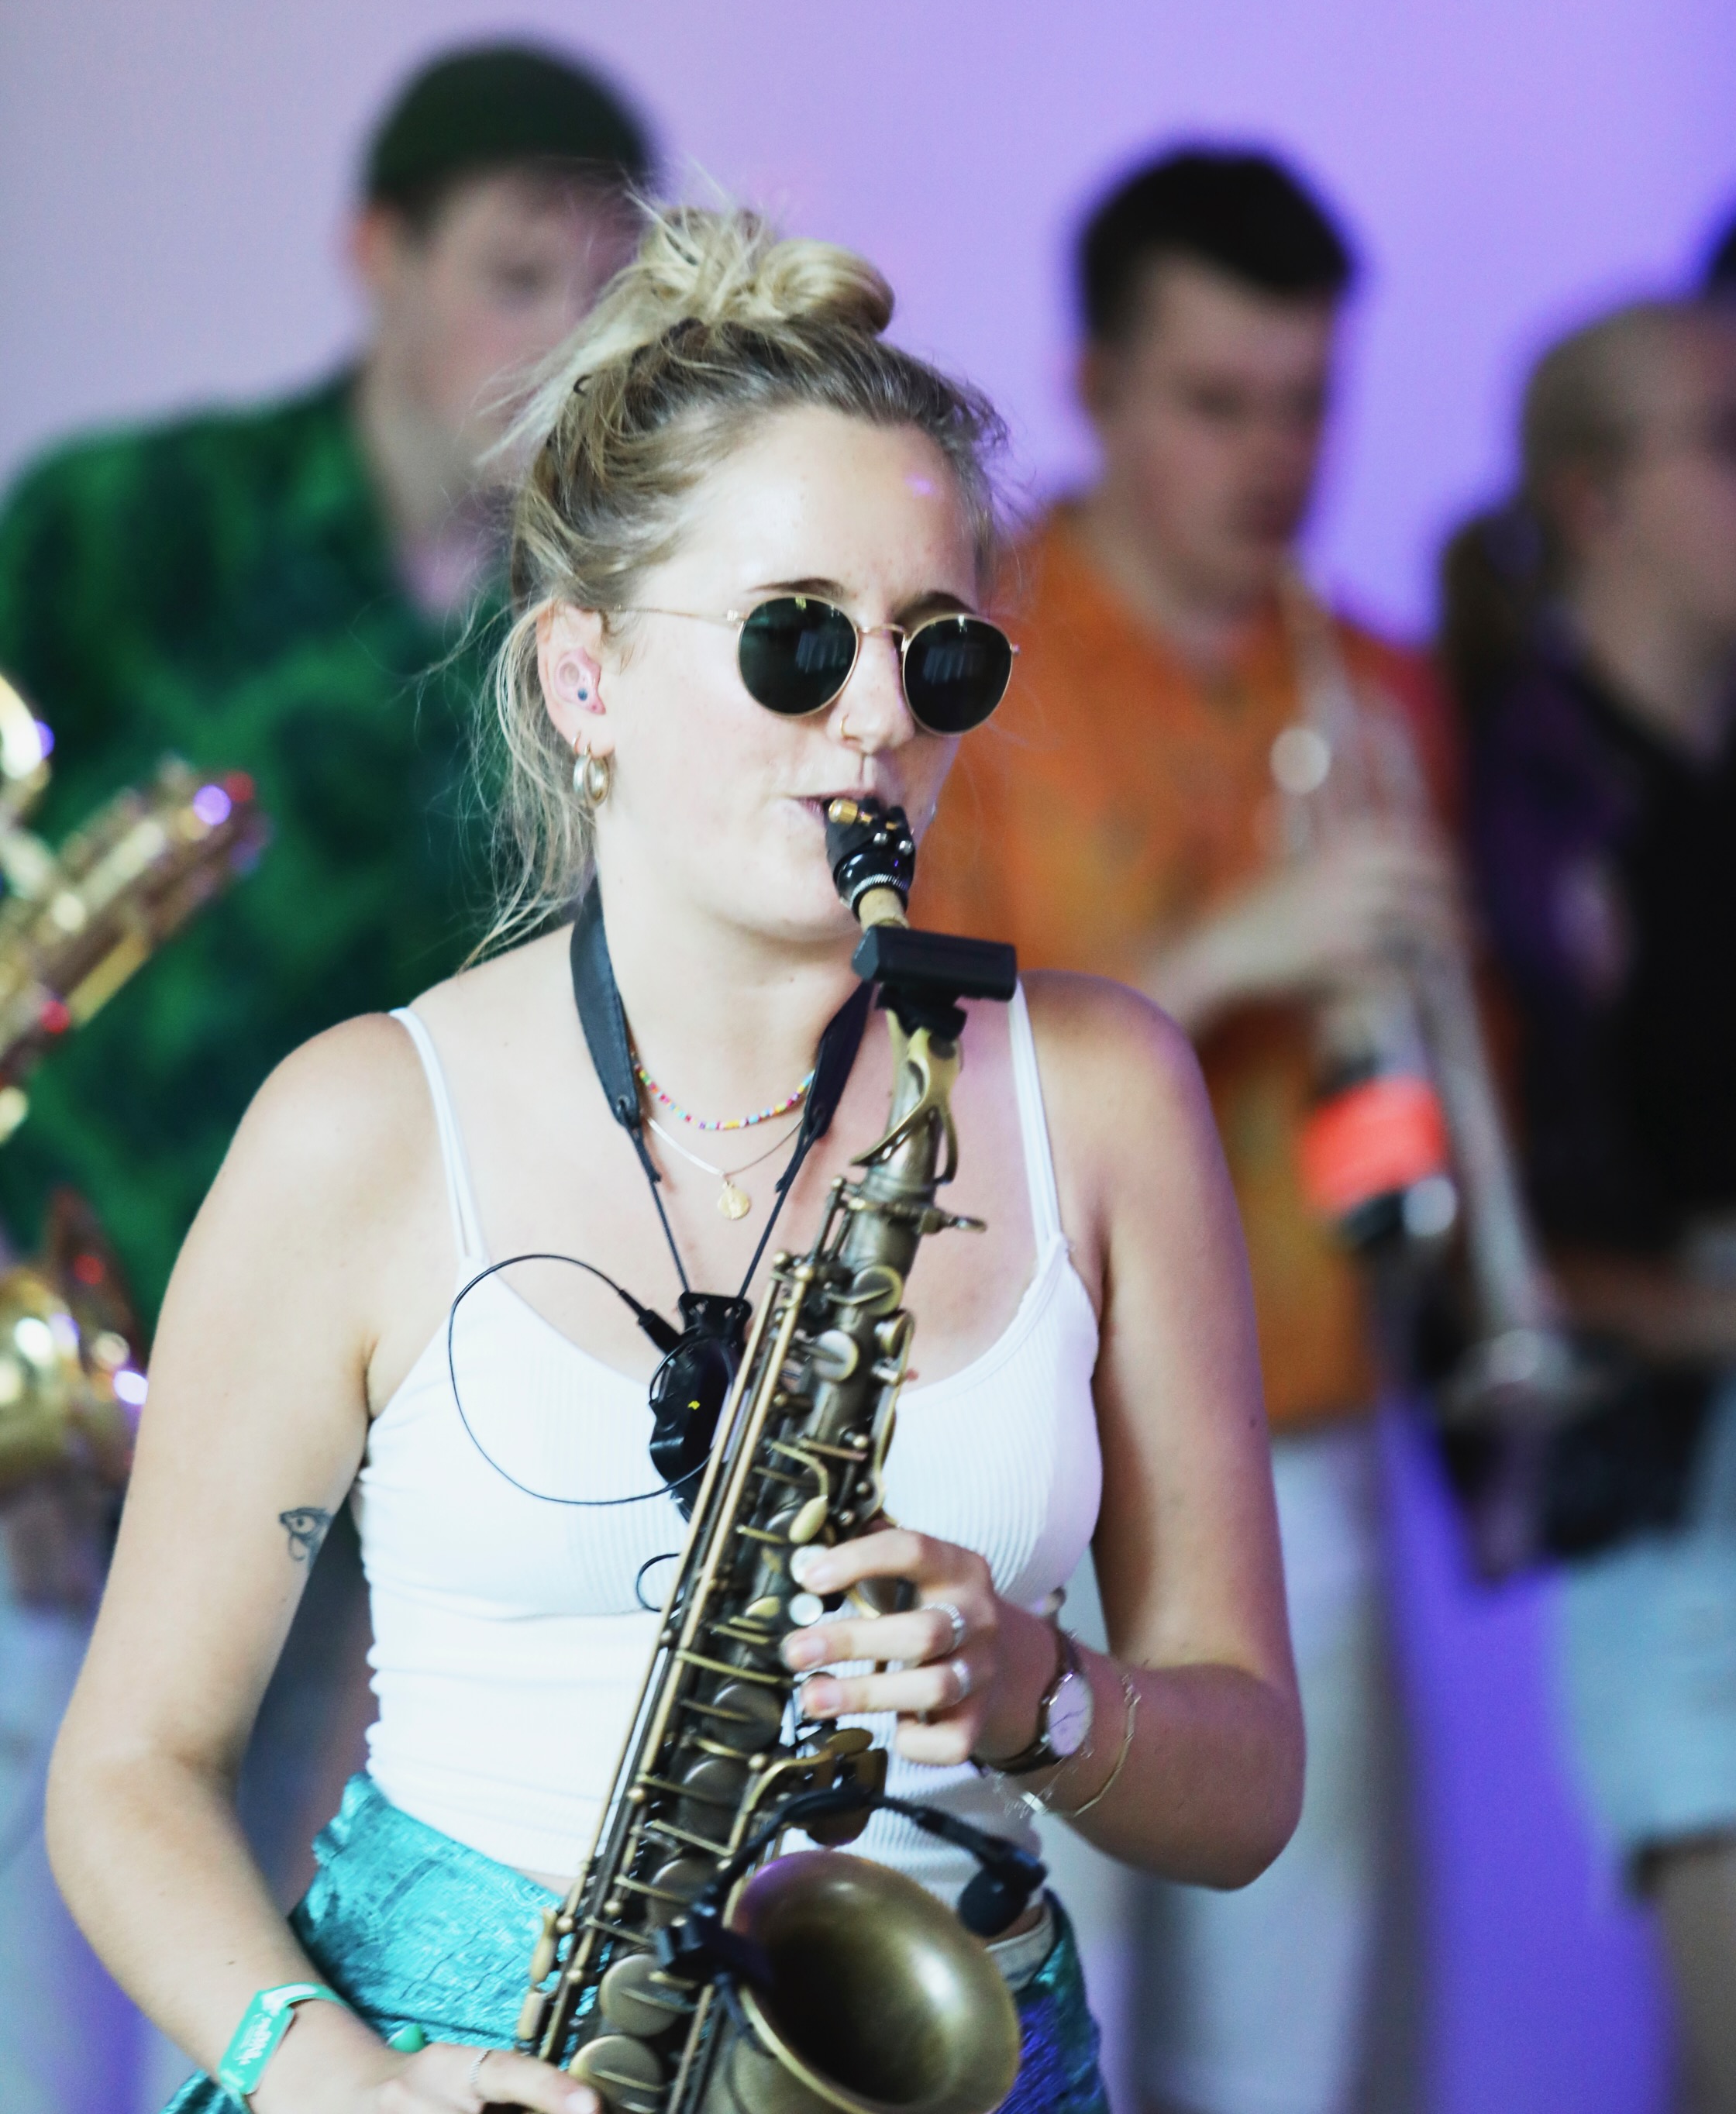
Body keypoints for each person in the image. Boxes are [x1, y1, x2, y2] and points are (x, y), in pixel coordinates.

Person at [46, 206, 1302, 2114]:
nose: (878, 719)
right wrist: (342, 2087)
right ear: (585, 678)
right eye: (795, 641)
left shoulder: (1106, 1094)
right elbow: (129, 1772)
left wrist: (1038, 1690)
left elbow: (1250, 1785)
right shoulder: (359, 1126)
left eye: (939, 656)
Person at [0, 39, 654, 2112]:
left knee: (297, 2003)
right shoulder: (117, 529)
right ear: (379, 255)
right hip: (56, 1429)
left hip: (380, 1466)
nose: (563, 342)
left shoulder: (626, 627)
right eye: (515, 276)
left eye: (607, 291)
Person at [916, 146, 1458, 2114]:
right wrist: (1225, 952)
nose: (1273, 461)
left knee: (1288, 2045)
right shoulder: (966, 661)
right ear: (1093, 385)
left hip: (1301, 1434)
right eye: (1216, 404)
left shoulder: (1375, 680)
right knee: (1040, 2032)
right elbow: (916, 1062)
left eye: (1306, 404)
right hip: (1026, 1443)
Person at [1439, 299, 1736, 2114]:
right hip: (1662, 1479)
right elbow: (1488, 1222)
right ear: (1593, 500)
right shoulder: (1508, 791)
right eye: (1723, 436)